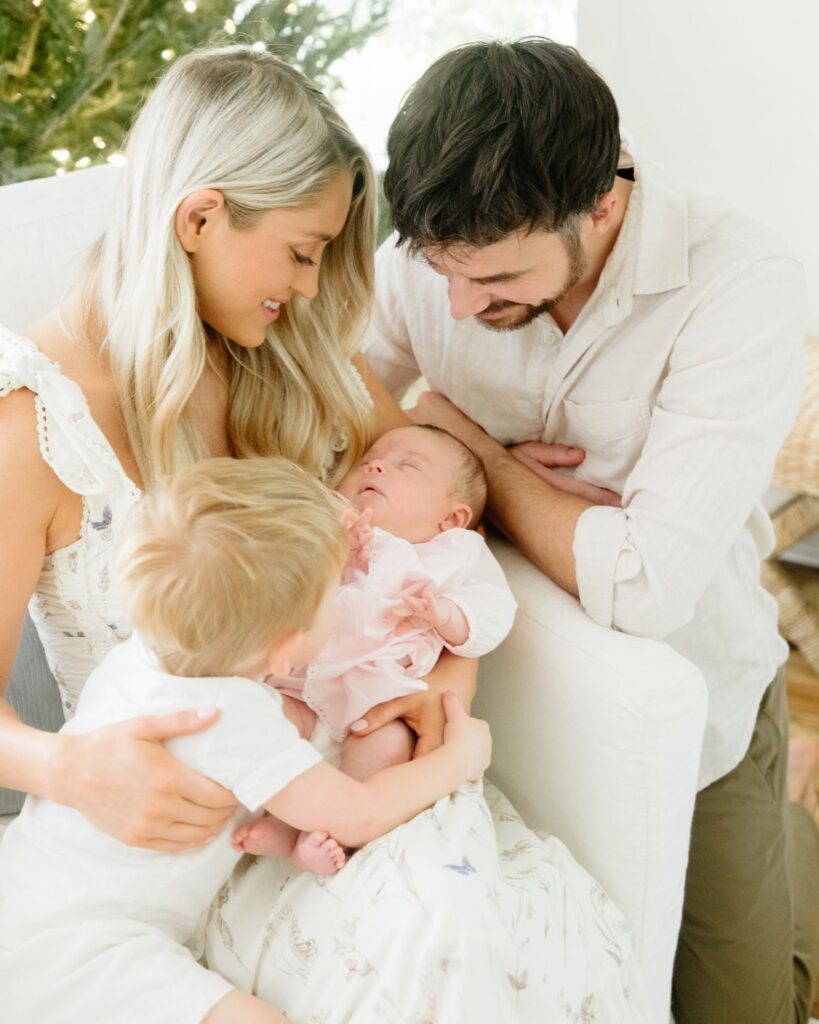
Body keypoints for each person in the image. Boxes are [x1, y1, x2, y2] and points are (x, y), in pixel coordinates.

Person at [0, 43, 645, 1023]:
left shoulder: (286, 355)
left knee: (463, 921)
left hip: (313, 788)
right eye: (302, 252)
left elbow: (440, 492)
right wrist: (65, 766)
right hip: (152, 842)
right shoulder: (31, 426)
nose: (310, 289)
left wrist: (445, 678)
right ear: (201, 217)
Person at [361, 36, 819, 1024]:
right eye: (442, 272)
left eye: (492, 280)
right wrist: (424, 426)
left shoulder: (741, 287)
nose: (455, 304)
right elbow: (336, 403)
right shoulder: (435, 260)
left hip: (700, 709)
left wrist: (466, 444)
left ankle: (797, 864)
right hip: (501, 701)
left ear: (603, 204)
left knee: (740, 1005)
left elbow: (646, 585)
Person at [0, 456, 492, 1023]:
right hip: (87, 947)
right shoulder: (231, 720)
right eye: (335, 596)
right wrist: (463, 756)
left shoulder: (140, 658)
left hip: (29, 893)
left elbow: (290, 721)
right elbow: (357, 814)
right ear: (284, 649)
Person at [236, 424, 517, 864]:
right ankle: (283, 821)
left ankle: (329, 835)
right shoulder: (331, 523)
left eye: (406, 465)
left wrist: (445, 615)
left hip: (378, 695)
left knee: (385, 748)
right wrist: (334, 554)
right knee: (263, 719)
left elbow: (494, 612)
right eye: (367, 462)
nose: (377, 465)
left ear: (452, 518)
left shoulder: (454, 554)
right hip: (302, 681)